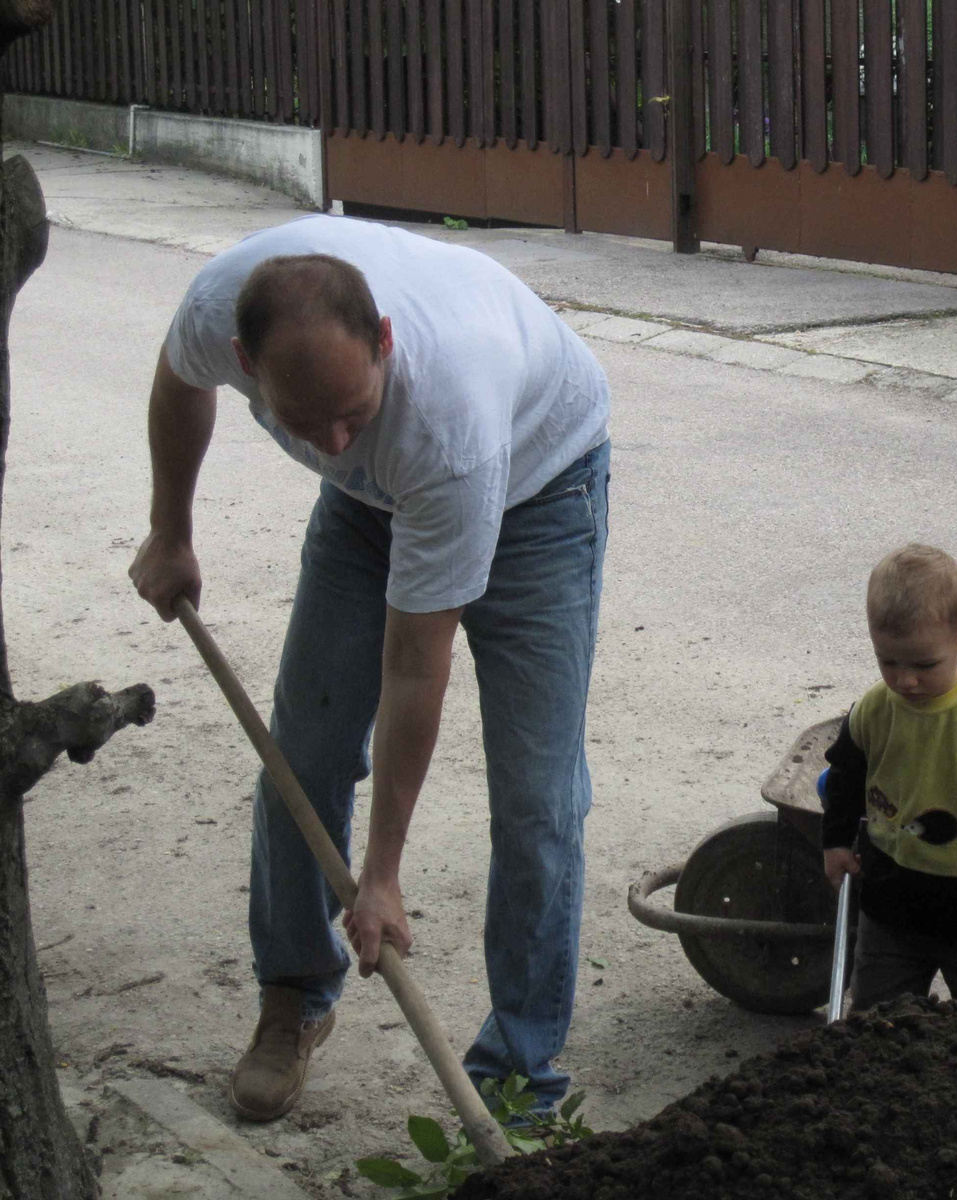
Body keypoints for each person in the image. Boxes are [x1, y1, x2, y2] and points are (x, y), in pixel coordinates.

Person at [129, 214, 611, 1122]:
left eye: (353, 412)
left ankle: (519, 1070)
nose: (336, 443)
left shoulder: (448, 422)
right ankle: (296, 996)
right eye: (306, 423)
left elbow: (413, 668)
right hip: (370, 514)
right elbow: (177, 377)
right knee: (302, 749)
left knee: (538, 796)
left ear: (384, 340)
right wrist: (172, 530)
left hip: (544, 491)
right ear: (247, 359)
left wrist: (382, 871)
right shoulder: (216, 311)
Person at [820, 544, 957, 1011]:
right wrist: (836, 841)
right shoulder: (873, 711)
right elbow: (844, 778)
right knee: (876, 1017)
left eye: (923, 665)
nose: (905, 681)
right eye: (889, 661)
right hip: (890, 911)